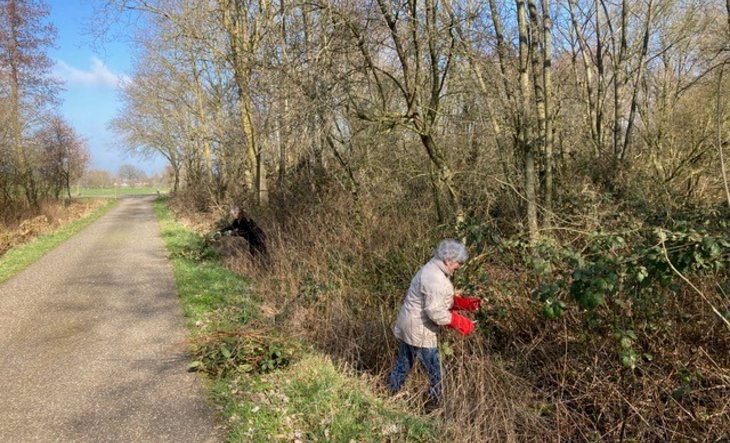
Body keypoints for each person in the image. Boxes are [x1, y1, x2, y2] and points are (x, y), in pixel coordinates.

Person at [387, 239, 481, 412]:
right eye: (458, 263)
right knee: (436, 374)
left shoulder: (432, 269)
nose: (459, 266)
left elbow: (435, 300)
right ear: (448, 260)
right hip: (420, 330)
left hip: (410, 324)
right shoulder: (436, 278)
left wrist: (464, 304)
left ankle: (387, 395)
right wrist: (460, 322)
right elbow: (435, 312)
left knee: (403, 365)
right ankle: (433, 407)